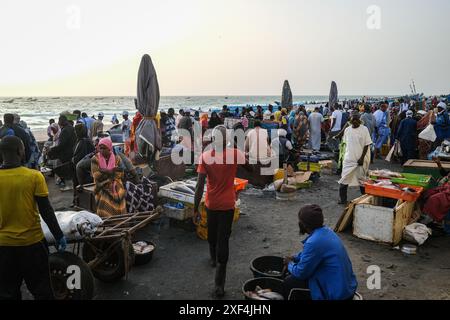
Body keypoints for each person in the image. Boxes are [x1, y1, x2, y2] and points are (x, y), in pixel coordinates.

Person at [0, 136, 66, 300]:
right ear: (19, 151)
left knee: (8, 292)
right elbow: (46, 211)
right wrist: (58, 235)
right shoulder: (34, 176)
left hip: (3, 247)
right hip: (32, 245)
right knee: (42, 290)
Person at [194, 125, 246, 298]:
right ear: (227, 139)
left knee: (212, 233)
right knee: (224, 239)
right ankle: (219, 284)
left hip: (211, 203)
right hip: (227, 205)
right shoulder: (235, 154)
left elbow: (200, 185)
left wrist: (195, 208)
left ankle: (212, 259)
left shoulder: (205, 157)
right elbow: (250, 168)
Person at [283, 205, 357, 300]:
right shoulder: (327, 232)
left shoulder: (314, 242)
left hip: (337, 295)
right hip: (347, 287)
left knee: (289, 282)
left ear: (304, 225)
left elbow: (301, 273)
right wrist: (295, 258)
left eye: (300, 221)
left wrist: (289, 264)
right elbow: (310, 255)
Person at [338, 112, 372, 205]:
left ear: (360, 121)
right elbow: (346, 144)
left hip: (360, 160)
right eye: (353, 119)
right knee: (344, 179)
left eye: (357, 119)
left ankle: (365, 199)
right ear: (350, 120)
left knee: (362, 181)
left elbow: (367, 144)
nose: (355, 121)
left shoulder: (364, 129)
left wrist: (361, 158)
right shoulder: (347, 130)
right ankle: (343, 200)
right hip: (349, 159)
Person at [91, 138, 127, 218]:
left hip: (115, 182)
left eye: (104, 148)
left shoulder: (117, 158)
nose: (102, 150)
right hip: (100, 184)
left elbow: (120, 174)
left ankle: (120, 219)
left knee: (120, 194)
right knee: (105, 195)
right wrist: (110, 172)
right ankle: (106, 219)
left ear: (109, 148)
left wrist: (105, 171)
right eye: (100, 148)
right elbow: (96, 175)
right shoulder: (95, 159)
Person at [48, 115, 77, 189]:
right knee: (69, 168)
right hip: (72, 150)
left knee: (65, 169)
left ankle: (68, 185)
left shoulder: (65, 131)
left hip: (66, 152)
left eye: (59, 121)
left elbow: (62, 145)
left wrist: (52, 150)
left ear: (61, 121)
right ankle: (69, 184)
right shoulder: (71, 128)